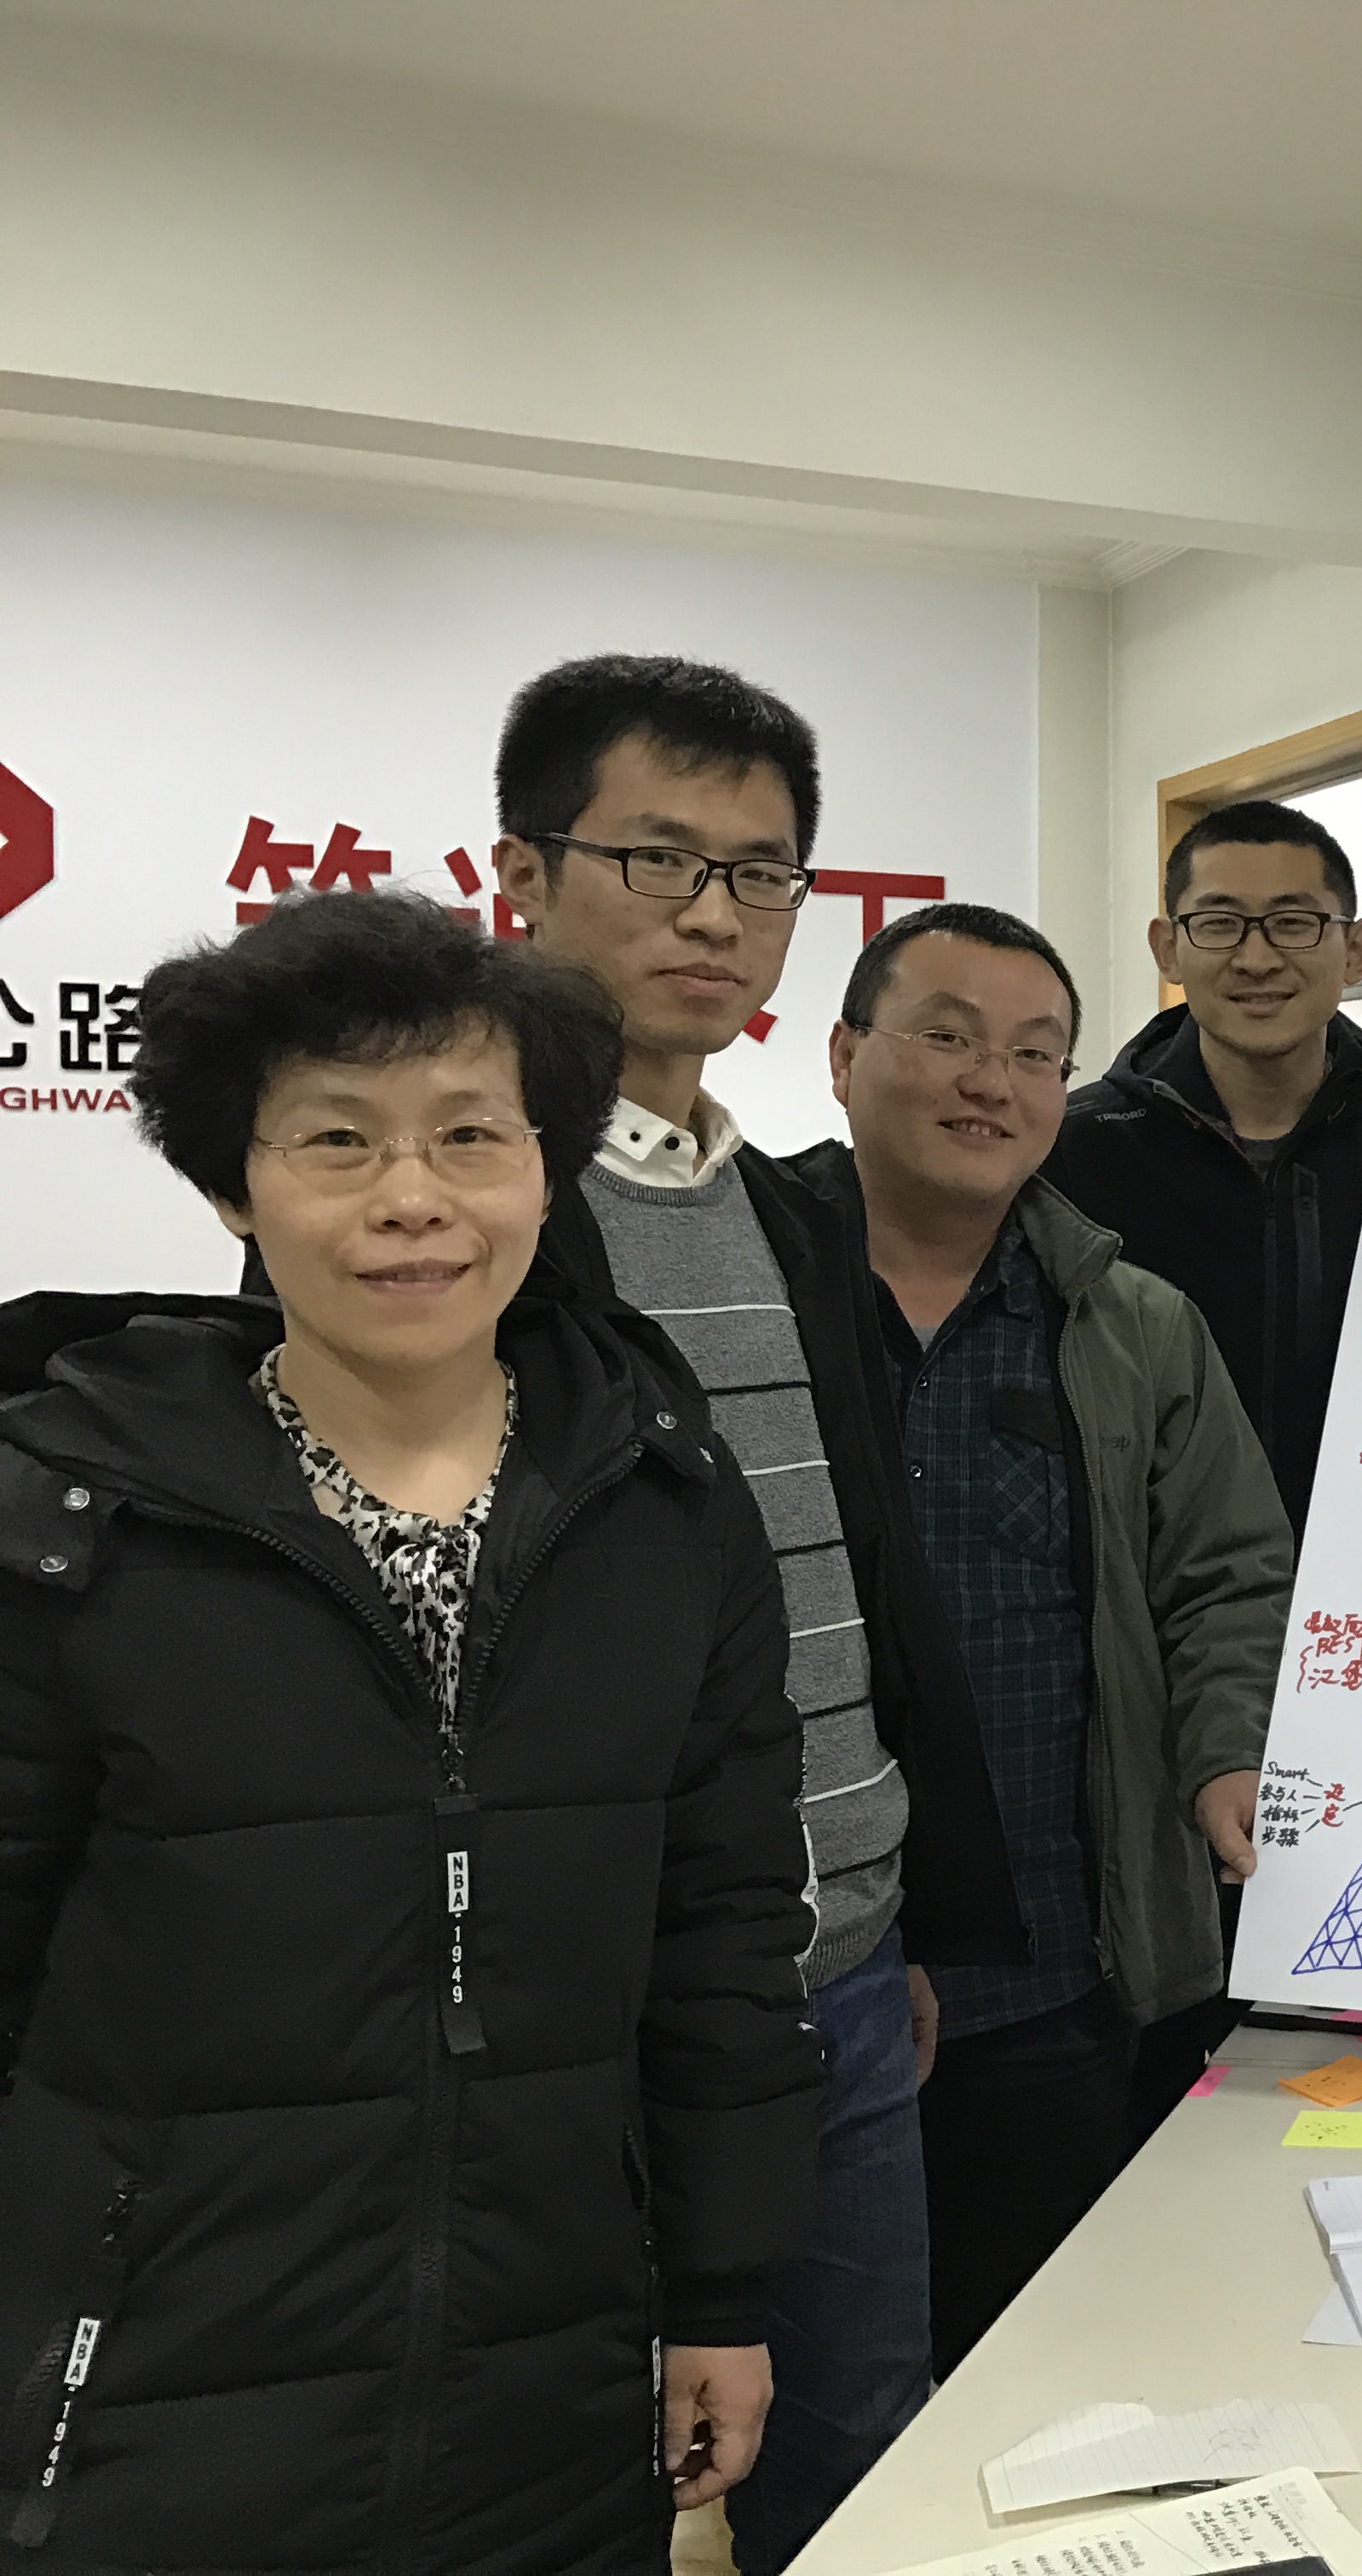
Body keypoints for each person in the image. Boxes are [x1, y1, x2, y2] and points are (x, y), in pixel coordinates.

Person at [0, 892, 822, 2572]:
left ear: (547, 1169)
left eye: (469, 1135)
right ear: (233, 1184)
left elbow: (723, 1927)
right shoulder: (70, 1522)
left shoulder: (663, 1503)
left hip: (547, 2387)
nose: (411, 1197)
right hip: (151, 2402)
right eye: (337, 1139)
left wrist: (721, 2293)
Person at [488, 655, 1020, 2571]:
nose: (714, 914)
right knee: (568, 2486)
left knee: (865, 2461)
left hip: (848, 1975)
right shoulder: (473, 1209)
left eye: (761, 872)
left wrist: (902, 1903)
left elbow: (852, 1575)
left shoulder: (790, 1210)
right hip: (594, 1994)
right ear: (522, 873)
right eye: (658, 858)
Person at [807, 903, 1296, 2371]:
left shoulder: (1131, 1320)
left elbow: (1228, 1572)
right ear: (843, 1056)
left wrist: (1225, 1750)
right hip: (801, 1974)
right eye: (947, 1036)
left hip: (1058, 1966)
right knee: (825, 2396)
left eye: (1035, 1054)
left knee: (1039, 2371)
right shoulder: (750, 1300)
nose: (993, 1083)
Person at [1045, 798, 1362, 1536]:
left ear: (1356, 949)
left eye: (1293, 922)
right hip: (1151, 1579)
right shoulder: (1071, 1151)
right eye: (1219, 922)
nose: (1257, 959)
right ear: (1168, 948)